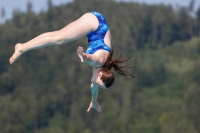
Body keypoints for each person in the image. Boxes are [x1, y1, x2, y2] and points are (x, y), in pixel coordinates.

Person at [9, 11, 134, 112]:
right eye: (100, 84)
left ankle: (23, 47)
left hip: (98, 23)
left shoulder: (101, 71)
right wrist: (83, 55)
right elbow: (92, 59)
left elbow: (94, 88)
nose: (97, 86)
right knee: (58, 39)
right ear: (100, 75)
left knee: (57, 35)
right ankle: (22, 48)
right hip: (95, 24)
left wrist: (94, 101)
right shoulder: (98, 61)